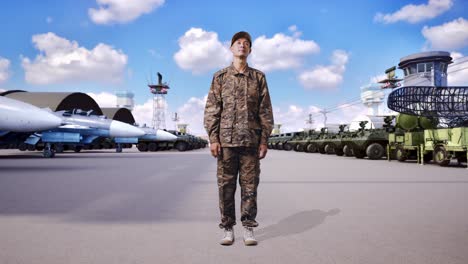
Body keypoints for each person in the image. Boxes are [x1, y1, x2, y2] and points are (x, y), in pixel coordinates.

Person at [203, 31, 274, 246]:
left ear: (250, 50)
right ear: (231, 48)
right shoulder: (220, 77)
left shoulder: (258, 77)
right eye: (238, 43)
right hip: (226, 143)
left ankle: (248, 228)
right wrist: (213, 138)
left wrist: (264, 140)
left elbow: (265, 111)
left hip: (251, 143)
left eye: (246, 44)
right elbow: (212, 109)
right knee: (226, 187)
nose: (242, 46)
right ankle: (227, 228)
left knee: (250, 186)